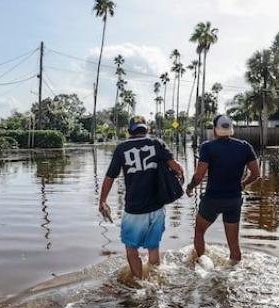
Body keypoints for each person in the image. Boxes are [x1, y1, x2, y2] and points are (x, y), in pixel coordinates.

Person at [99, 117, 185, 278]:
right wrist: (182, 176)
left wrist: (102, 201)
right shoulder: (157, 143)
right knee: (153, 248)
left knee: (132, 250)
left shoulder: (121, 148)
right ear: (146, 130)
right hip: (157, 207)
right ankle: (155, 281)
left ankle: (139, 284)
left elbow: (110, 177)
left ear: (129, 131)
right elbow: (177, 167)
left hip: (134, 209)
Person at [186, 115, 261, 263]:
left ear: (215, 129)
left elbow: (199, 176)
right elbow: (256, 174)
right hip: (234, 200)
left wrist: (189, 188)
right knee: (234, 245)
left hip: (212, 200)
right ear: (231, 129)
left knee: (199, 231)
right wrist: (242, 185)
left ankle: (202, 264)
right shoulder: (245, 146)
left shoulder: (207, 147)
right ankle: (234, 269)